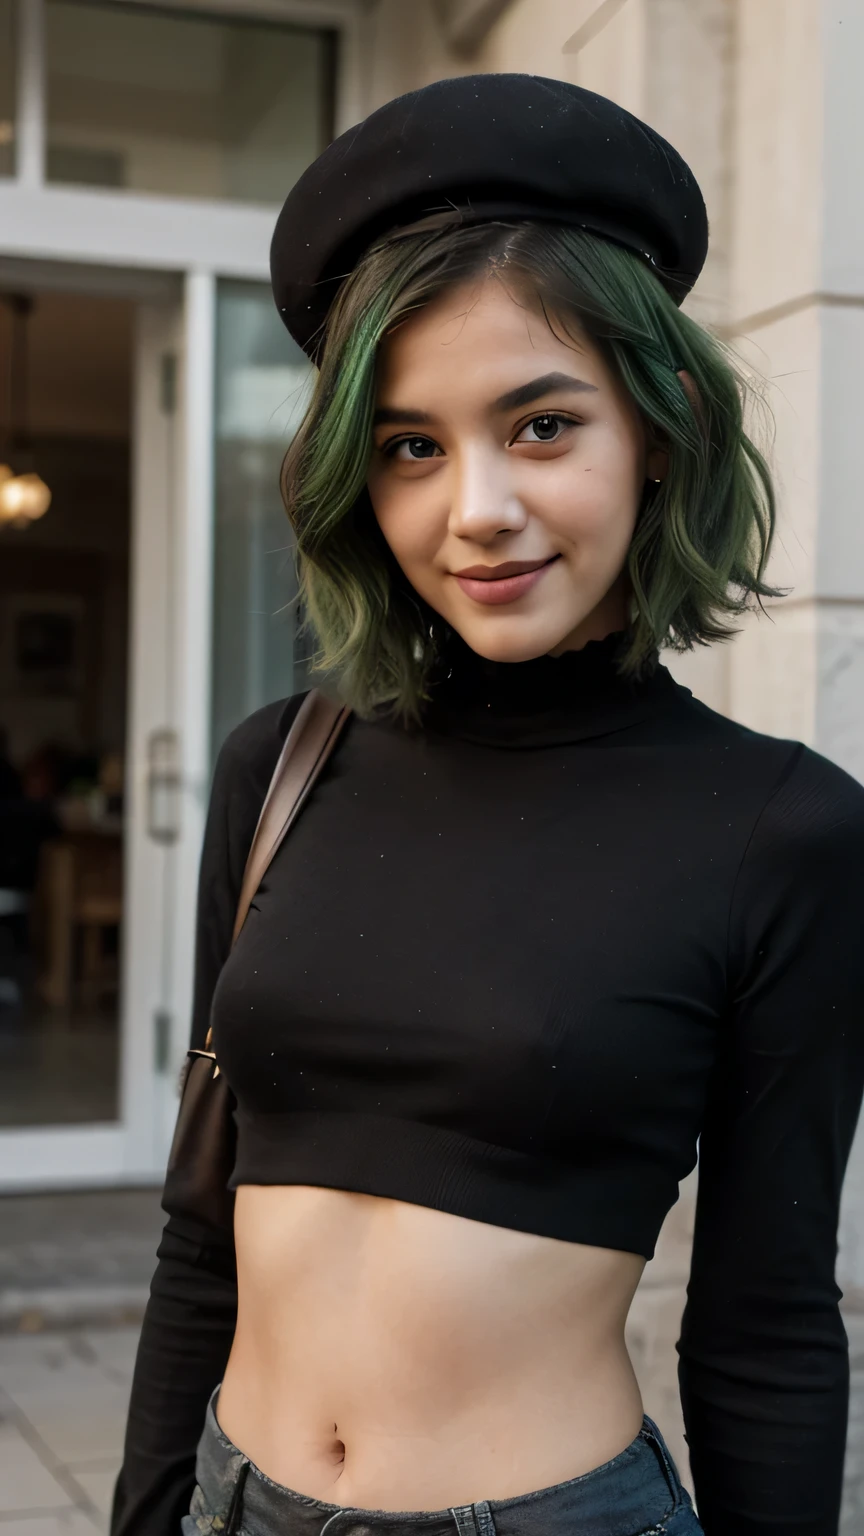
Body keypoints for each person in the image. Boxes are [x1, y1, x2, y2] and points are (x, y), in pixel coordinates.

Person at [111, 75, 864, 1536]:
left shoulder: (782, 831)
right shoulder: (282, 765)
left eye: (538, 426)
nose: (475, 511)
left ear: (662, 424)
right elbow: (202, 1237)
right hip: (234, 1499)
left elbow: (767, 1328)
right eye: (411, 446)